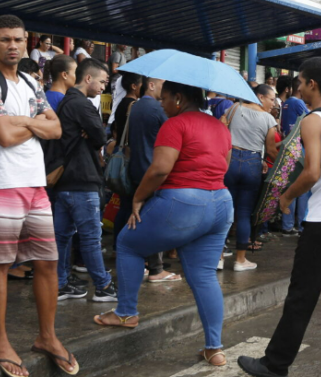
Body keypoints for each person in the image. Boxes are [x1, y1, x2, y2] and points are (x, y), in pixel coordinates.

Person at [238, 57, 321, 377]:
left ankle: (275, 364)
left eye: (300, 81)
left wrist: (285, 197)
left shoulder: (315, 120)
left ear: (313, 84)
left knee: (301, 295)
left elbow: (311, 172)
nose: (297, 86)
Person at [94, 81, 233, 371]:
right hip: (220, 202)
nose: (162, 104)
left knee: (128, 244)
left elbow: (159, 169)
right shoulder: (220, 127)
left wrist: (138, 199)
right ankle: (214, 348)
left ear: (179, 98)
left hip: (183, 201)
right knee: (205, 276)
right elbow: (224, 164)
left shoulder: (175, 124)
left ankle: (126, 313)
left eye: (165, 98)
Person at [0, 15, 74, 376]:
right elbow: (3, 136)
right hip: (0, 182)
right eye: (4, 40)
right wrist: (33, 124)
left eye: (18, 39)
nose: (12, 46)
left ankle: (47, 336)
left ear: (27, 40)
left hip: (34, 182)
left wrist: (21, 121)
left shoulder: (32, 80)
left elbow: (56, 128)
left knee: (46, 262)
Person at [51, 58, 117, 302]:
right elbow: (101, 137)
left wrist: (91, 132)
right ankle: (103, 285)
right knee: (90, 237)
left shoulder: (66, 102)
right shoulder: (82, 104)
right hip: (82, 180)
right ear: (87, 78)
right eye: (102, 82)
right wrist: (93, 132)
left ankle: (60, 284)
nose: (103, 87)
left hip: (64, 183)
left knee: (62, 237)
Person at [118, 77, 181, 284]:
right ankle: (156, 269)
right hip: (153, 171)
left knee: (135, 217)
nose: (165, 94)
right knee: (155, 221)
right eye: (163, 86)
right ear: (152, 85)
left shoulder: (134, 106)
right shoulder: (157, 110)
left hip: (135, 170)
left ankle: (140, 261)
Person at [223, 84, 279, 271]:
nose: (274, 103)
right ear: (260, 97)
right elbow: (271, 150)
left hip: (229, 162)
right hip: (252, 164)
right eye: (271, 99)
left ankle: (219, 257)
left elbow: (221, 132)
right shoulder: (268, 119)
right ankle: (240, 260)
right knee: (244, 213)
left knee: (225, 211)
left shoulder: (233, 109)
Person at [276, 76, 310, 234]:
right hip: (299, 148)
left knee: (289, 186)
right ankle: (302, 224)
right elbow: (312, 119)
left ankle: (287, 224)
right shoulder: (298, 102)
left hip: (287, 147)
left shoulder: (286, 103)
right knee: (303, 188)